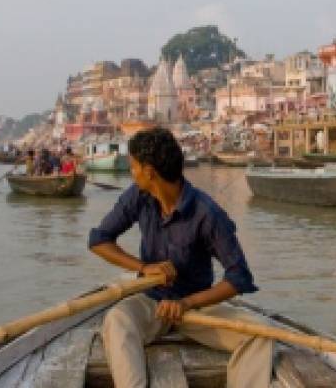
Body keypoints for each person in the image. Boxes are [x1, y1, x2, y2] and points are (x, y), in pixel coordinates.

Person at [89, 128, 272, 388]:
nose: (132, 173)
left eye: (133, 167)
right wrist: (144, 268)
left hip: (197, 309)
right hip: (153, 303)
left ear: (149, 171)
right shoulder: (139, 196)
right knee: (117, 320)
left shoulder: (207, 213)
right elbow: (98, 240)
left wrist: (186, 303)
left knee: (258, 334)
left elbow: (239, 277)